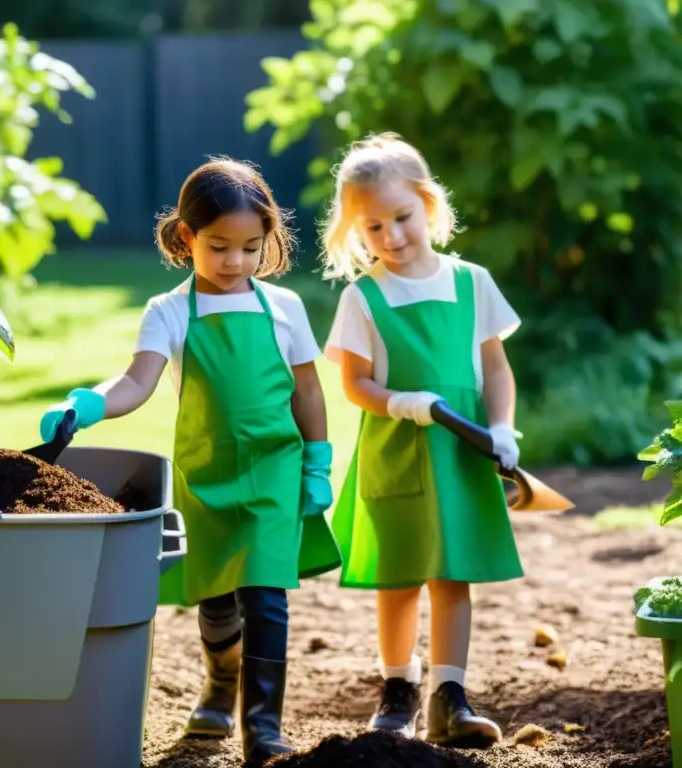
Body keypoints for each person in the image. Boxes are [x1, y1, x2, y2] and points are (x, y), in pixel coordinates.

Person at [39, 157, 342, 763]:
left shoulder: (284, 308)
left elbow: (307, 390)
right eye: (219, 246)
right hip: (207, 474)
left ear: (269, 239)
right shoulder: (169, 311)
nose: (235, 261)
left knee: (266, 594)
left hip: (275, 469)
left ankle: (263, 727)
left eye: (251, 247)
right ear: (186, 238)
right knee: (216, 598)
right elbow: (137, 382)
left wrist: (316, 461)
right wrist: (91, 404)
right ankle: (219, 682)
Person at [321, 133, 523, 749]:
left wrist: (503, 426)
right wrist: (400, 403)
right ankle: (397, 688)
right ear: (356, 231)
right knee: (399, 575)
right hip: (396, 453)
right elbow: (354, 384)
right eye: (373, 226)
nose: (392, 236)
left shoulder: (472, 283)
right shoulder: (365, 297)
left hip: (458, 455)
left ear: (429, 205)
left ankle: (449, 695)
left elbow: (494, 368)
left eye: (402, 218)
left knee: (451, 574)